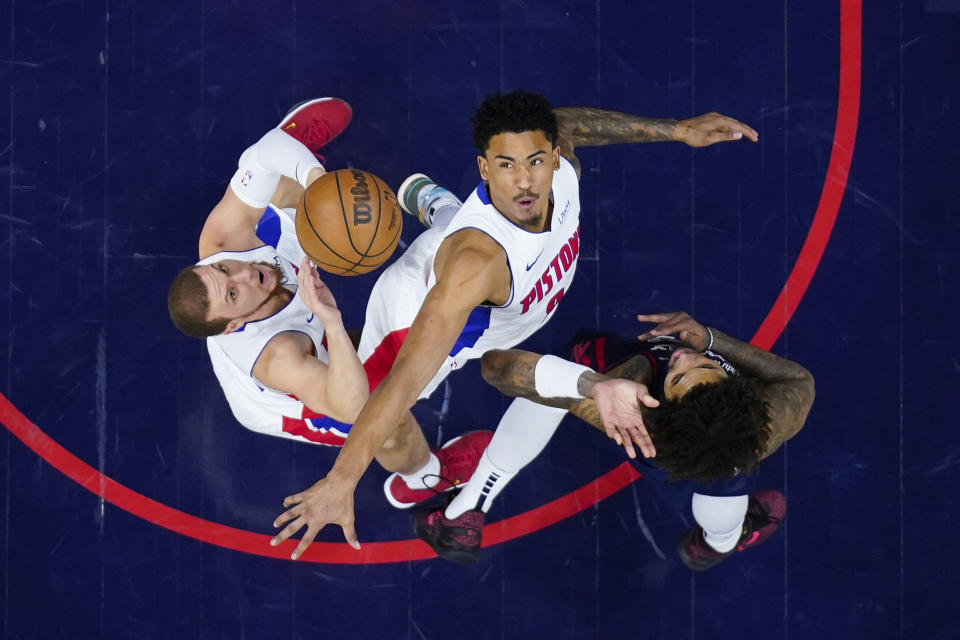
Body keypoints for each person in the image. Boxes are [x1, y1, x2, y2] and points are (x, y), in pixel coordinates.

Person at [270, 89, 759, 559]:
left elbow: (568, 123)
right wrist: (342, 479)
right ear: (483, 168)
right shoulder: (474, 266)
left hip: (505, 300)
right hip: (422, 320)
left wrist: (677, 130)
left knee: (460, 230)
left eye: (534, 161)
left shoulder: (561, 171)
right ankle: (421, 478)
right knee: (374, 408)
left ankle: (439, 209)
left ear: (553, 156)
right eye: (505, 166)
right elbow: (401, 382)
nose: (524, 182)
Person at [167, 99, 490, 560]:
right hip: (299, 395)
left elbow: (262, 150)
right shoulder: (277, 356)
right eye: (233, 294)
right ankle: (421, 480)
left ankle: (299, 169)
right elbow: (353, 403)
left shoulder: (222, 245)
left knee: (286, 184)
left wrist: (315, 179)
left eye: (227, 273)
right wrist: (333, 323)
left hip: (295, 293)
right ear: (235, 323)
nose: (243, 276)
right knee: (385, 412)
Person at [416, 311, 814, 569]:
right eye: (705, 366)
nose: (683, 356)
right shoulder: (767, 417)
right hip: (720, 457)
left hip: (633, 408)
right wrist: (710, 339)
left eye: (676, 377)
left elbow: (499, 370)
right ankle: (713, 544)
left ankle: (463, 514)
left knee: (550, 390)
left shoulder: (634, 413)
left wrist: (592, 386)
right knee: (722, 496)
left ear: (663, 404)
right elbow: (800, 381)